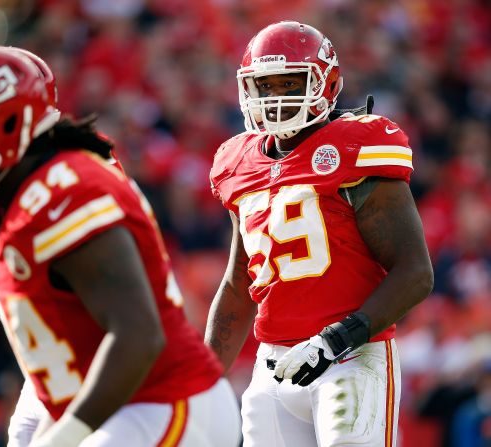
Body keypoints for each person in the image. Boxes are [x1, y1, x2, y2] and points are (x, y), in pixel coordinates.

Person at [0, 45, 240, 447]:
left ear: (6, 125)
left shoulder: (65, 190)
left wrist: (65, 437)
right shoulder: (7, 197)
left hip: (161, 398)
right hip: (109, 397)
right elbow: (47, 311)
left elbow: (138, 335)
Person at [204, 20, 434, 447]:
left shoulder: (357, 146)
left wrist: (336, 339)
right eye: (265, 86)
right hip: (272, 368)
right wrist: (199, 381)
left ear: (325, 83)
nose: (275, 98)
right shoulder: (237, 163)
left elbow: (416, 273)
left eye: (290, 82)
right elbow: (239, 284)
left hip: (351, 358)